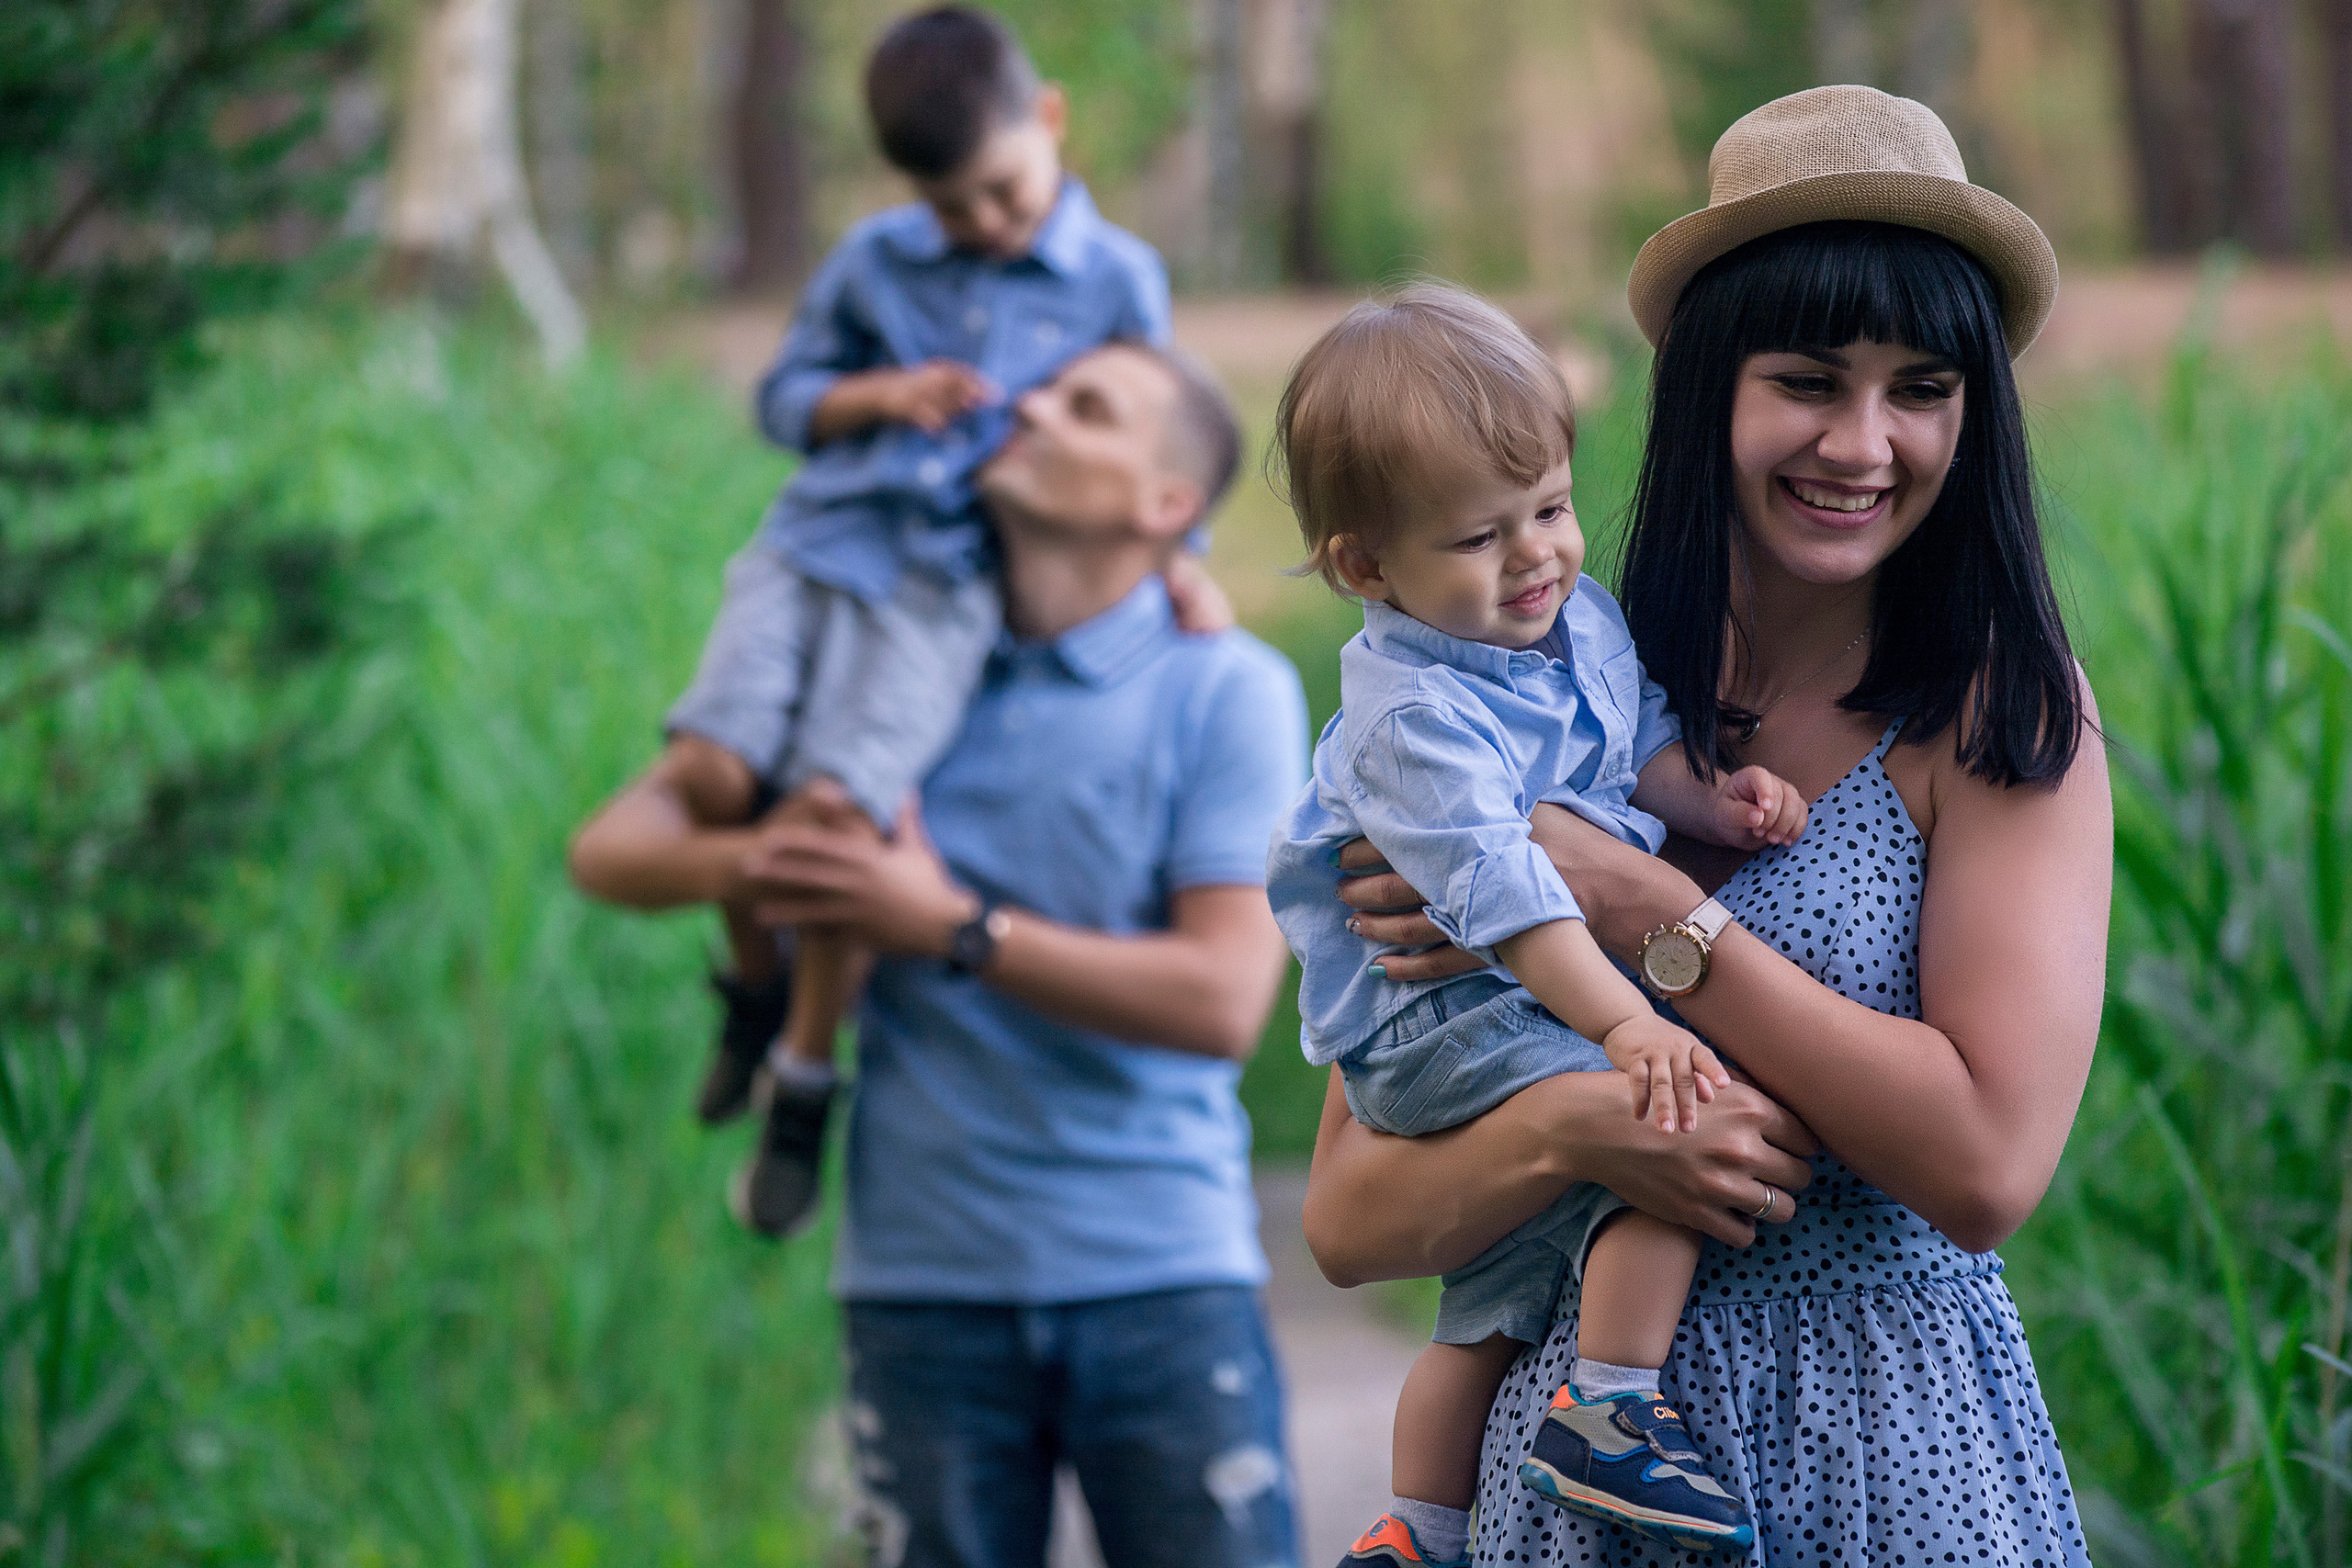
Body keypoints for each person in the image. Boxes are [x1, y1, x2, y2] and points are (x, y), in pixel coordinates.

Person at [1302, 86, 2110, 1567]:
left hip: (1889, 1453)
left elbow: (1990, 1165)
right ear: (1709, 389)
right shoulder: (1531, 684)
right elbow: (1350, 1221)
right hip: (1572, 1476)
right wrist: (1576, 1123)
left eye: (1923, 389)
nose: (1864, 443)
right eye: (1808, 379)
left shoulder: (1995, 707)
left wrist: (1643, 912)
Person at [571, 342, 1307, 1566]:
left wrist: (943, 923)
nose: (1026, 406)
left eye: (1086, 407)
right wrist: (796, 869)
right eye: (1043, 388)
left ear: (1165, 506)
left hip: (1160, 1278)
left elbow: (1223, 1000)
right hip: (917, 1290)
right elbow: (613, 848)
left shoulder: (1227, 691)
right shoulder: (889, 673)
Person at [1265, 284, 1808, 1564]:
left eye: (1553, 511)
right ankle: (1608, 1409)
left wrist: (1714, 801)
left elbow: (1631, 755)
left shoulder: (1571, 621)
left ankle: (1417, 1529)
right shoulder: (1411, 717)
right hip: (1438, 1017)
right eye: (1478, 538)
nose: (1537, 559)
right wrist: (1629, 1030)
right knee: (1669, 1139)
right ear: (1365, 565)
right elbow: (1506, 902)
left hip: (1503, 998)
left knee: (1495, 1304)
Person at [662, 5, 1224, 1237]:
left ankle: (804, 1081)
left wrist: (1182, 557)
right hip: (817, 542)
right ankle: (749, 994)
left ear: (1052, 122)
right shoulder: (875, 261)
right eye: (952, 206)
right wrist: (882, 394)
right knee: (710, 769)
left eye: (1003, 191)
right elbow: (783, 400)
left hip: (945, 581)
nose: (983, 225)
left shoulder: (1116, 275)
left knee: (838, 807)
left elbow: (1162, 435)